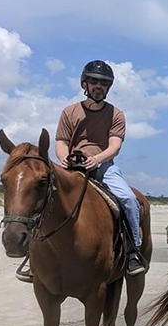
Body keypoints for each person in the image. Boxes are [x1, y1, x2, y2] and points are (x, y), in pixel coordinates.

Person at [39, 60, 146, 278]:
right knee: (43, 195)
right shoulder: (69, 112)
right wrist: (63, 158)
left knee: (128, 199)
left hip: (103, 166)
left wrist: (97, 159)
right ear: (84, 84)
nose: (99, 86)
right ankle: (34, 253)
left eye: (104, 83)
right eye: (94, 81)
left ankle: (132, 250)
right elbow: (61, 142)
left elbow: (114, 146)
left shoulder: (116, 114)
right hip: (72, 165)